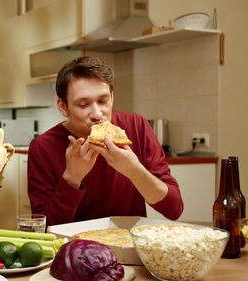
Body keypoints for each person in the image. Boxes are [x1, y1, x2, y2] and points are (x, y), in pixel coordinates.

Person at [27, 56, 183, 226]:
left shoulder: (136, 126)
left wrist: (133, 170)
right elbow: (44, 229)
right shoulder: (42, 147)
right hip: (73, 248)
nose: (97, 114)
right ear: (63, 106)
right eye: (83, 104)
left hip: (127, 244)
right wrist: (72, 177)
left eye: (103, 101)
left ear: (112, 97)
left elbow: (174, 209)